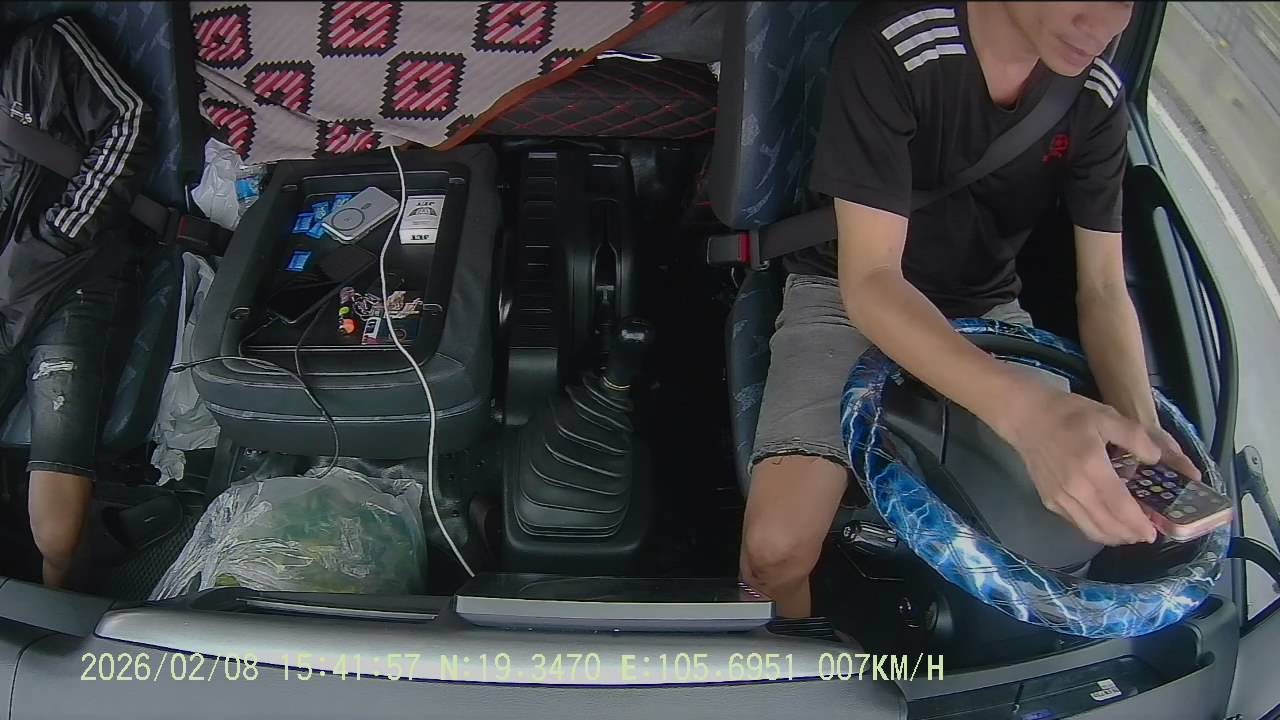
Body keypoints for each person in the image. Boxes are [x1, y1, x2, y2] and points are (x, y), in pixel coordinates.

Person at [740, 1, 1202, 619]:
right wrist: (1031, 417)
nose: (1104, 26)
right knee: (775, 552)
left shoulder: (1094, 95)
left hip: (988, 311)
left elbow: (1102, 288)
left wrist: (1142, 433)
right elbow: (872, 279)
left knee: (1071, 543)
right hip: (845, 292)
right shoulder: (895, 45)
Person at [0, 16, 151, 587]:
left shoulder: (44, 48)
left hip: (71, 277)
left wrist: (63, 234)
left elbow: (130, 121)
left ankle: (64, 610)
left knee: (57, 534)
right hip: (6, 291)